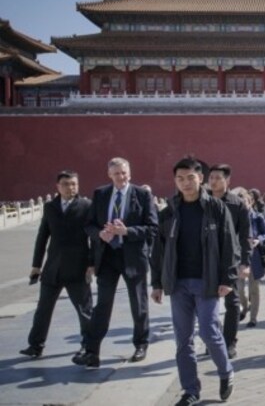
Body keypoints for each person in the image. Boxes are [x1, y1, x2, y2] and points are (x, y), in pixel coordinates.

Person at [151, 156, 237, 406]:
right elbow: (159, 251)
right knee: (183, 339)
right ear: (175, 181)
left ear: (201, 178)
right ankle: (190, 389)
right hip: (178, 284)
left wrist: (227, 278)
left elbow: (229, 245)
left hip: (208, 281)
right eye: (180, 178)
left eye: (191, 177)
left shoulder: (216, 208)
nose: (186, 183)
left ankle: (225, 371)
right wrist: (157, 283)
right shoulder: (169, 212)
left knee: (209, 332)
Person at [74, 157, 158, 368]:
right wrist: (100, 234)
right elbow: (89, 225)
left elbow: (152, 228)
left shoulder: (142, 195)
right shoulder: (100, 194)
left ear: (130, 173)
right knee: (102, 305)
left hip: (133, 256)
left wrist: (126, 231)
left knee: (138, 304)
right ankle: (92, 351)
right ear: (109, 175)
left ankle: (141, 344)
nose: (121, 177)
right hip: (108, 256)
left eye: (124, 173)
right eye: (116, 173)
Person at [20, 170, 93, 359]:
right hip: (52, 269)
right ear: (58, 187)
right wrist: (36, 265)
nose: (71, 188)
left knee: (85, 311)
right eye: (67, 184)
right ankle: (35, 345)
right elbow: (42, 236)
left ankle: (88, 345)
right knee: (43, 310)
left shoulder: (86, 206)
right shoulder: (50, 207)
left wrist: (92, 264)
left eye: (74, 184)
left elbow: (94, 240)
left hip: (78, 268)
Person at [208, 164, 251, 357]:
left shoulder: (237, 204)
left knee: (232, 302)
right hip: (207, 259)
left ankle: (230, 342)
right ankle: (213, 341)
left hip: (231, 260)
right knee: (208, 302)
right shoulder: (203, 202)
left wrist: (245, 262)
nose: (214, 181)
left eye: (218, 177)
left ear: (228, 181)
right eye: (211, 178)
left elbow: (245, 236)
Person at [230, 187, 265, 327]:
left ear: (250, 202)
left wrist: (258, 239)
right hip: (240, 257)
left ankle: (253, 318)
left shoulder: (257, 217)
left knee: (254, 289)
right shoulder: (234, 218)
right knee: (239, 289)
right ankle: (245, 307)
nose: (242, 204)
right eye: (240, 202)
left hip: (255, 256)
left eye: (245, 201)